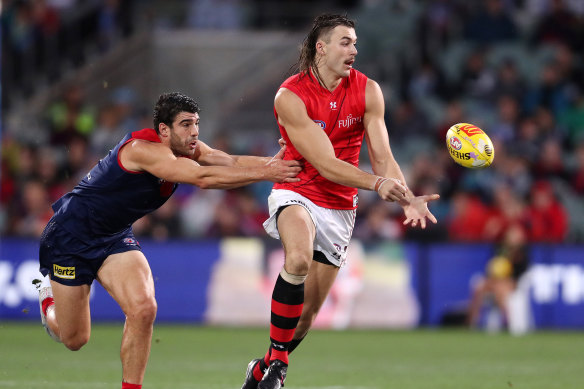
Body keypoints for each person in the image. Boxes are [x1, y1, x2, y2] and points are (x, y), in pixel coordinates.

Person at [34, 92, 302, 389]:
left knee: (144, 308)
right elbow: (203, 179)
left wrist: (274, 162)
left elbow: (230, 160)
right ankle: (49, 303)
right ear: (164, 130)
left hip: (113, 236)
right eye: (185, 124)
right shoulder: (143, 150)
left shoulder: (188, 148)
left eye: (196, 123)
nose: (195, 132)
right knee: (75, 339)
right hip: (69, 237)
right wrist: (267, 173)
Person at [241, 14, 440, 389]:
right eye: (345, 42)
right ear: (322, 47)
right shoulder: (290, 96)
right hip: (296, 187)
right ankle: (279, 369)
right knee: (297, 258)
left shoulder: (368, 91)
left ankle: (262, 367)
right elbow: (325, 164)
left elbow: (383, 156)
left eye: (355, 43)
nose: (354, 50)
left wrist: (407, 197)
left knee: (307, 314)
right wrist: (375, 183)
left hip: (339, 207)